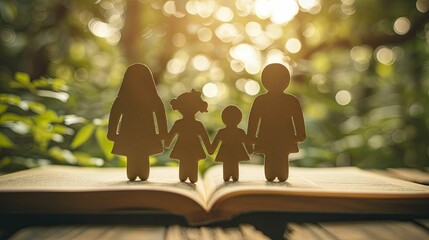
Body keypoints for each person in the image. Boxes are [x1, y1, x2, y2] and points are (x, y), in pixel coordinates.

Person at [107, 63, 168, 181]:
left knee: (137, 154)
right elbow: (115, 115)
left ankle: (137, 173)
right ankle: (136, 173)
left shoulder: (124, 99)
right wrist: (163, 133)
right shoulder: (151, 99)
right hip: (141, 133)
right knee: (136, 154)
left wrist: (112, 133)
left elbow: (160, 116)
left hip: (133, 132)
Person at [247, 63, 306, 182]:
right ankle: (275, 174)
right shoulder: (291, 100)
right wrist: (300, 134)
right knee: (274, 158)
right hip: (281, 136)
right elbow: (254, 119)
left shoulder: (262, 100)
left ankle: (277, 174)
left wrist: (251, 136)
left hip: (271, 136)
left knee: (276, 158)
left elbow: (253, 119)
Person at [165, 89, 211, 183]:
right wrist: (211, 149)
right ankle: (189, 176)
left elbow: (168, 140)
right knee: (191, 166)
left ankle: (186, 176)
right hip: (194, 149)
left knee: (185, 166)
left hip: (182, 148)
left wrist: (164, 140)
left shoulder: (179, 123)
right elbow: (206, 141)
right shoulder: (198, 125)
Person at [211, 105, 251, 181]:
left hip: (226, 153)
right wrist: (250, 150)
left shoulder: (222, 132)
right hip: (235, 153)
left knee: (229, 166)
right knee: (233, 166)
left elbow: (213, 147)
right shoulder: (240, 132)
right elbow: (248, 145)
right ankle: (231, 176)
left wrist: (210, 149)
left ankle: (229, 176)